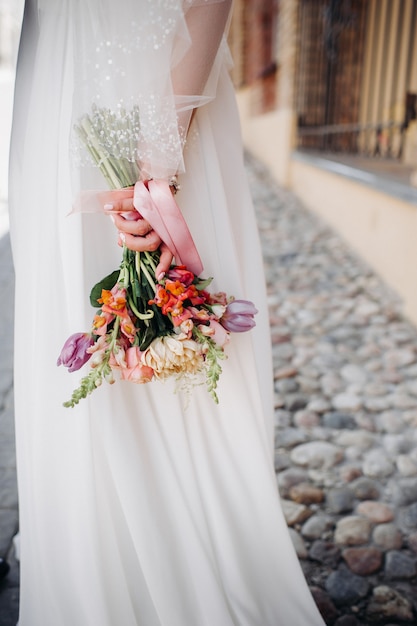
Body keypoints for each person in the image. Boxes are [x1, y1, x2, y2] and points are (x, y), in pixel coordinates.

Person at [9, 1, 326, 624]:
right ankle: (97, 559)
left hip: (156, 91)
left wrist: (155, 165)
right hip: (60, 98)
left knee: (168, 314)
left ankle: (194, 557)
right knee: (86, 318)